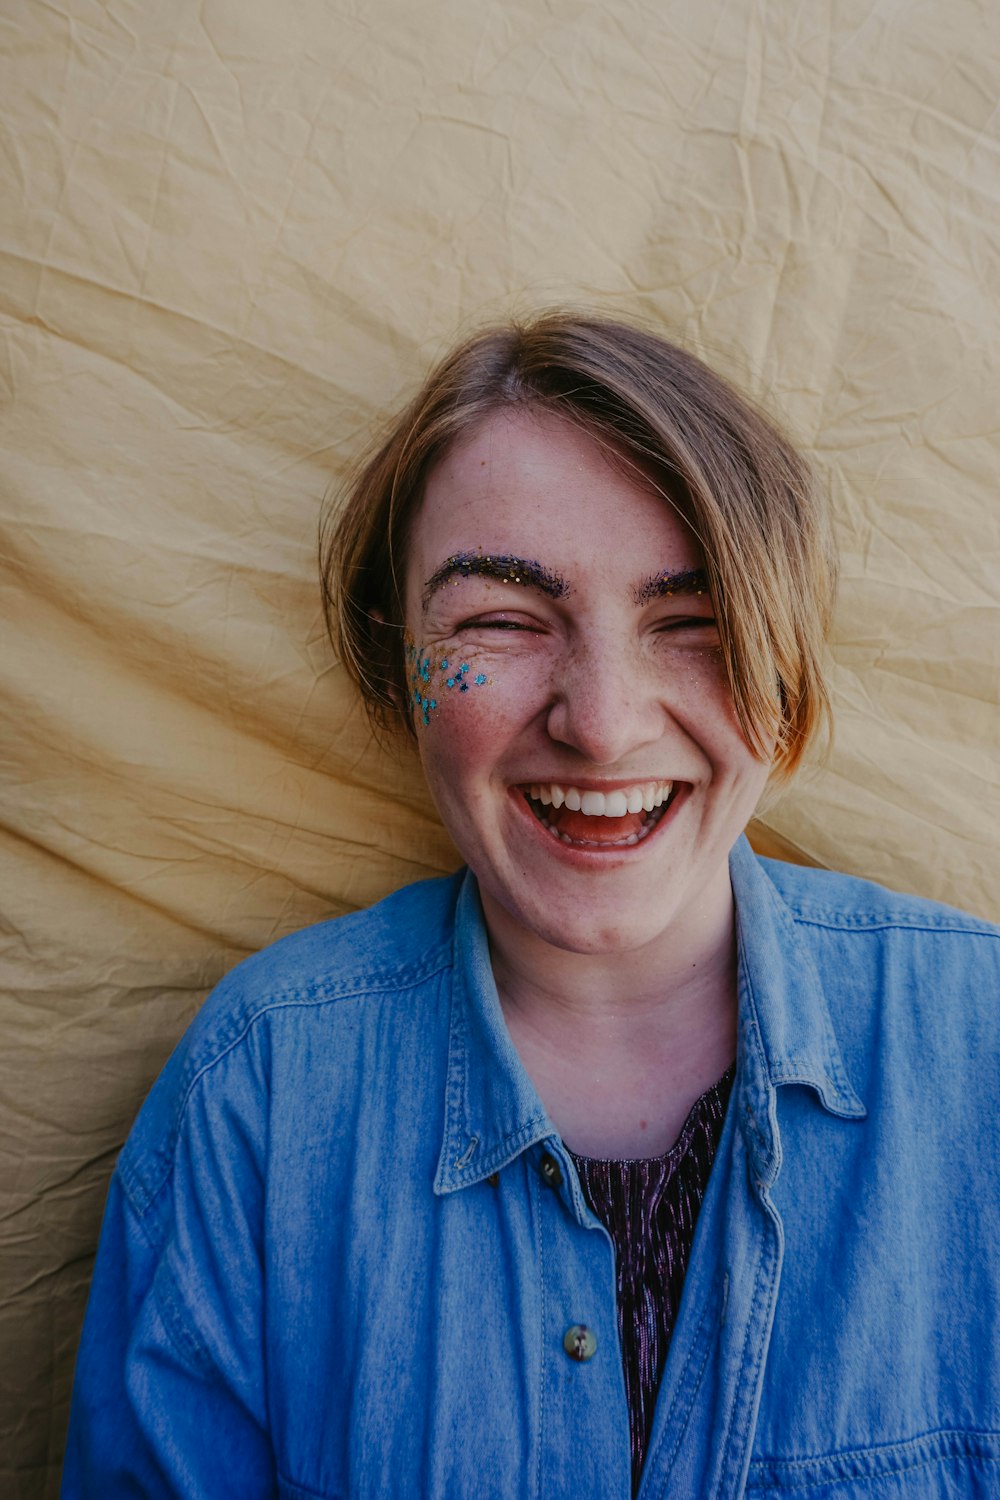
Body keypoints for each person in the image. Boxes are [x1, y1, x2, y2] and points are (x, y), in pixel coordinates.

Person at [62, 313, 1000, 1498]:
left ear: (786, 661)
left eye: (693, 622)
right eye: (500, 620)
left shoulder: (983, 1045)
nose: (602, 723)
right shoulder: (257, 1094)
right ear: (394, 660)